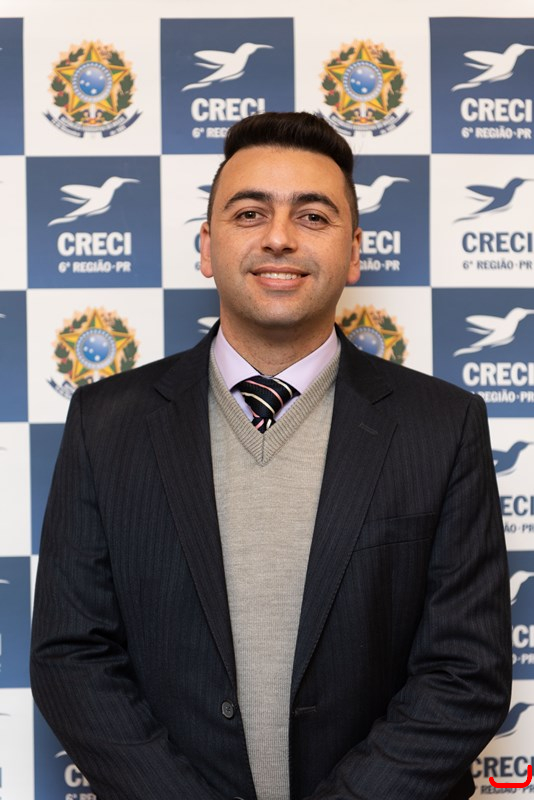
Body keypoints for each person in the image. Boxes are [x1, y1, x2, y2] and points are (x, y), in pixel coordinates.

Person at [31, 111, 511, 800]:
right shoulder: (106, 423)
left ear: (354, 252)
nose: (280, 237)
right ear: (207, 246)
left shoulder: (442, 425)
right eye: (250, 213)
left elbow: (465, 673)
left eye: (313, 216)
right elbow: (71, 656)